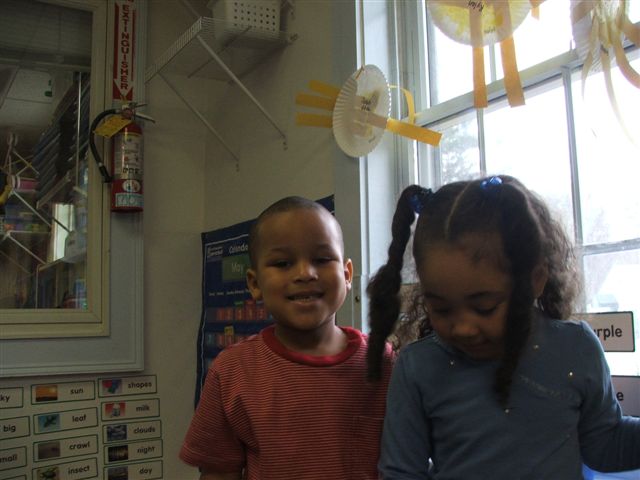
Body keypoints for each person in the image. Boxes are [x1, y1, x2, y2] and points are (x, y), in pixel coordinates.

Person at [366, 175, 640, 479]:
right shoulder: (417, 367)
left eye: (484, 307)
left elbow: (605, 445)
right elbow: (400, 472)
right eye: (441, 309)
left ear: (536, 279)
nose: (464, 328)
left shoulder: (576, 347)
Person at [180, 196, 394, 480]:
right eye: (282, 263)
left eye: (322, 259)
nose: (305, 273)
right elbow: (218, 472)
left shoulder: (384, 362)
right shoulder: (231, 371)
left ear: (347, 274)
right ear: (255, 283)